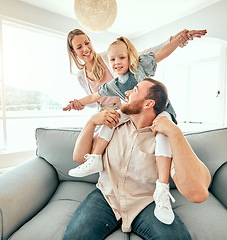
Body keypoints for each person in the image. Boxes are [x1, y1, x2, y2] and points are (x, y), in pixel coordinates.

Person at [64, 32, 207, 224]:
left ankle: (162, 187)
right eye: (113, 59)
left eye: (121, 58)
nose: (116, 62)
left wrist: (176, 40)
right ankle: (96, 158)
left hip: (158, 113)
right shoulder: (112, 85)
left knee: (161, 132)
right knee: (112, 119)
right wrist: (82, 109)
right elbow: (94, 98)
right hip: (123, 111)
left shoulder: (138, 69)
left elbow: (159, 52)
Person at [62, 78, 211, 240]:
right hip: (106, 197)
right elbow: (79, 157)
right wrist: (91, 122)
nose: (127, 92)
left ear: (148, 104)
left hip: (145, 203)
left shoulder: (165, 139)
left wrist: (176, 133)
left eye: (135, 90)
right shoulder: (113, 126)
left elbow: (198, 194)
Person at [64, 28, 205, 112]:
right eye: (79, 47)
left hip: (126, 106)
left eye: (87, 43)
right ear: (73, 51)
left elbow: (147, 55)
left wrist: (175, 40)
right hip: (105, 112)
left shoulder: (110, 55)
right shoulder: (83, 77)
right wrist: (79, 103)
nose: (86, 49)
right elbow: (94, 99)